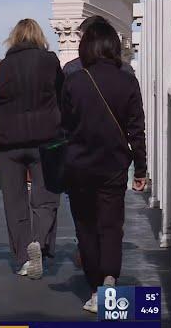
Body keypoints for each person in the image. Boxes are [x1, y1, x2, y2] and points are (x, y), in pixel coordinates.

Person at [60, 20, 147, 313]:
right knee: (111, 225)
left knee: (86, 226)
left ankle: (97, 287)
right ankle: (110, 278)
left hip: (80, 165)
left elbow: (65, 127)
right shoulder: (128, 81)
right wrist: (142, 169)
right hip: (114, 165)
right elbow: (136, 130)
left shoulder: (74, 81)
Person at [0, 18, 64, 280]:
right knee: (46, 196)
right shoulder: (50, 62)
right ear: (39, 37)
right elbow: (63, 98)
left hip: (9, 144)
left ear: (13, 39)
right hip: (46, 141)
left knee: (14, 201)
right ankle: (39, 242)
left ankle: (23, 256)